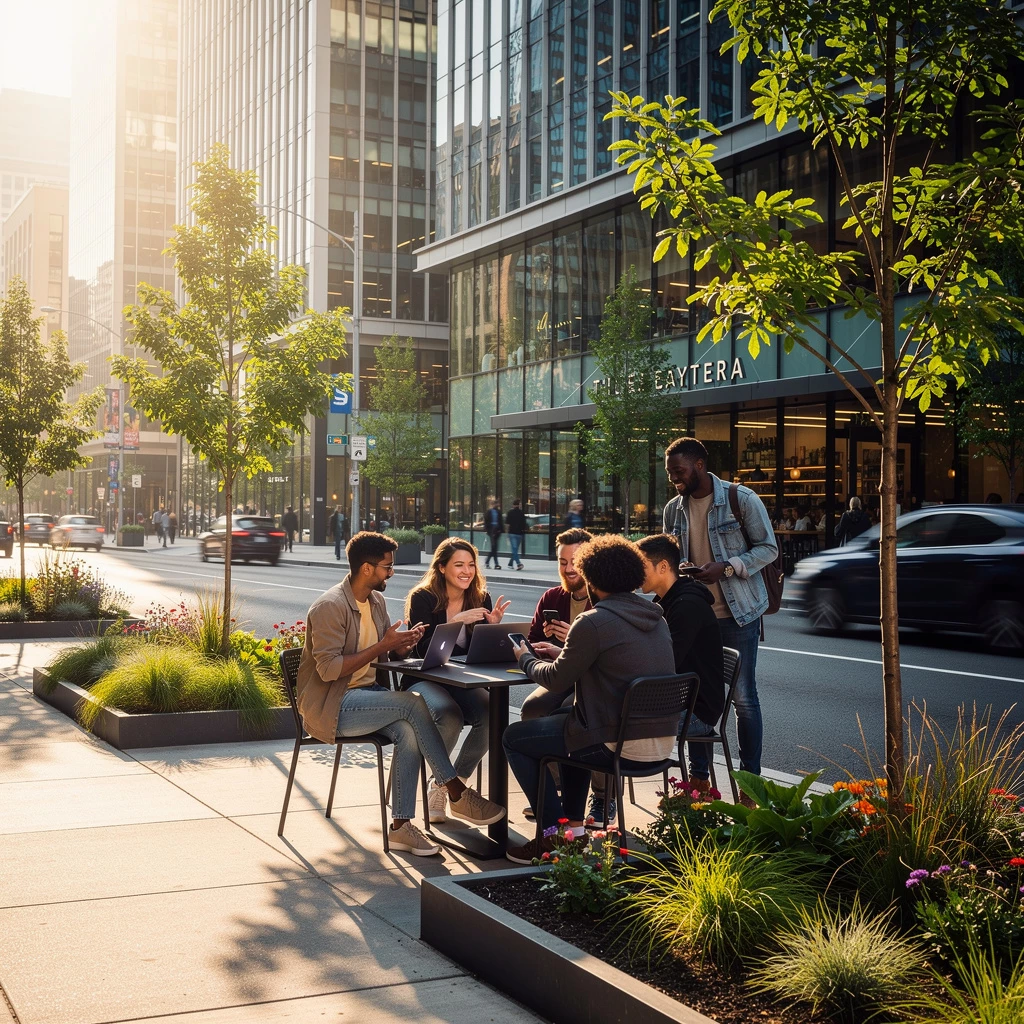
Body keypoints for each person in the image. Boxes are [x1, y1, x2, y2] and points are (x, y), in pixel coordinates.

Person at [297, 532, 506, 856]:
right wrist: (383, 645)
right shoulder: (330, 606)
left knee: (409, 731)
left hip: (370, 694)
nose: (391, 572)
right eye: (387, 566)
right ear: (367, 569)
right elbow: (328, 671)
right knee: (412, 705)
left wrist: (401, 646)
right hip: (334, 706)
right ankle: (454, 790)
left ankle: (400, 827)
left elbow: (387, 657)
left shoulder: (376, 602)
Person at [502, 535, 676, 863]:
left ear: (591, 578)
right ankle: (576, 832)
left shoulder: (593, 621)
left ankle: (553, 836)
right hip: (661, 742)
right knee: (570, 730)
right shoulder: (657, 617)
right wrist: (563, 652)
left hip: (615, 743)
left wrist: (524, 657)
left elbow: (555, 679)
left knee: (514, 738)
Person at [662, 436, 778, 800]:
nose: (674, 479)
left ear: (699, 464)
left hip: (737, 612)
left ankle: (750, 784)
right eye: (669, 473)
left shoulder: (740, 499)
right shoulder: (672, 510)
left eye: (678, 471)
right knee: (694, 696)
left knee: (744, 698)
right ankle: (698, 781)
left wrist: (726, 567)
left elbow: (769, 548)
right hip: (694, 615)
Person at [404, 538, 511, 823]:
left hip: (459, 677)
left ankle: (450, 786)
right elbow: (422, 650)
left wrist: (493, 631)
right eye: (459, 565)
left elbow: (479, 653)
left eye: (471, 565)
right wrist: (457, 621)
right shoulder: (423, 598)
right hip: (424, 676)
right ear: (441, 568)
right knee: (448, 715)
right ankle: (449, 788)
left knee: (492, 714)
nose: (466, 571)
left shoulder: (481, 598)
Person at [521, 528, 615, 826]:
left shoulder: (603, 598)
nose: (569, 568)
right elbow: (533, 640)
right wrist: (547, 648)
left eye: (575, 561)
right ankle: (553, 793)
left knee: (583, 716)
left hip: (594, 682)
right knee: (532, 709)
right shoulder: (552, 596)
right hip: (562, 677)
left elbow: (609, 656)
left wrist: (569, 643)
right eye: (562, 562)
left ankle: (603, 797)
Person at [637, 533, 724, 794]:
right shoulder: (668, 601)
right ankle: (698, 782)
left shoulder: (686, 606)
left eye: (641, 567)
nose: (635, 574)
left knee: (613, 717)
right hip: (686, 698)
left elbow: (666, 663)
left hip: (697, 712)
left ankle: (606, 797)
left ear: (663, 567)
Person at [506, 498, 526, 570]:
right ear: (518, 505)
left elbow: (507, 524)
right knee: (515, 549)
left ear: (513, 505)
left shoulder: (510, 513)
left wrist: (507, 533)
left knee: (514, 550)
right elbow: (524, 524)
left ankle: (513, 563)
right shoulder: (521, 513)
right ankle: (516, 563)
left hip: (512, 533)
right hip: (519, 533)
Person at [484, 499, 503, 570]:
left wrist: (501, 530)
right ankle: (495, 564)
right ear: (493, 504)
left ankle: (488, 562)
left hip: (497, 530)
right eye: (495, 504)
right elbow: (486, 521)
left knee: (494, 548)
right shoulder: (489, 512)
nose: (496, 505)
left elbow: (500, 521)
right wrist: (487, 530)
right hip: (491, 530)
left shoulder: (498, 512)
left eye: (497, 504)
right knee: (494, 547)